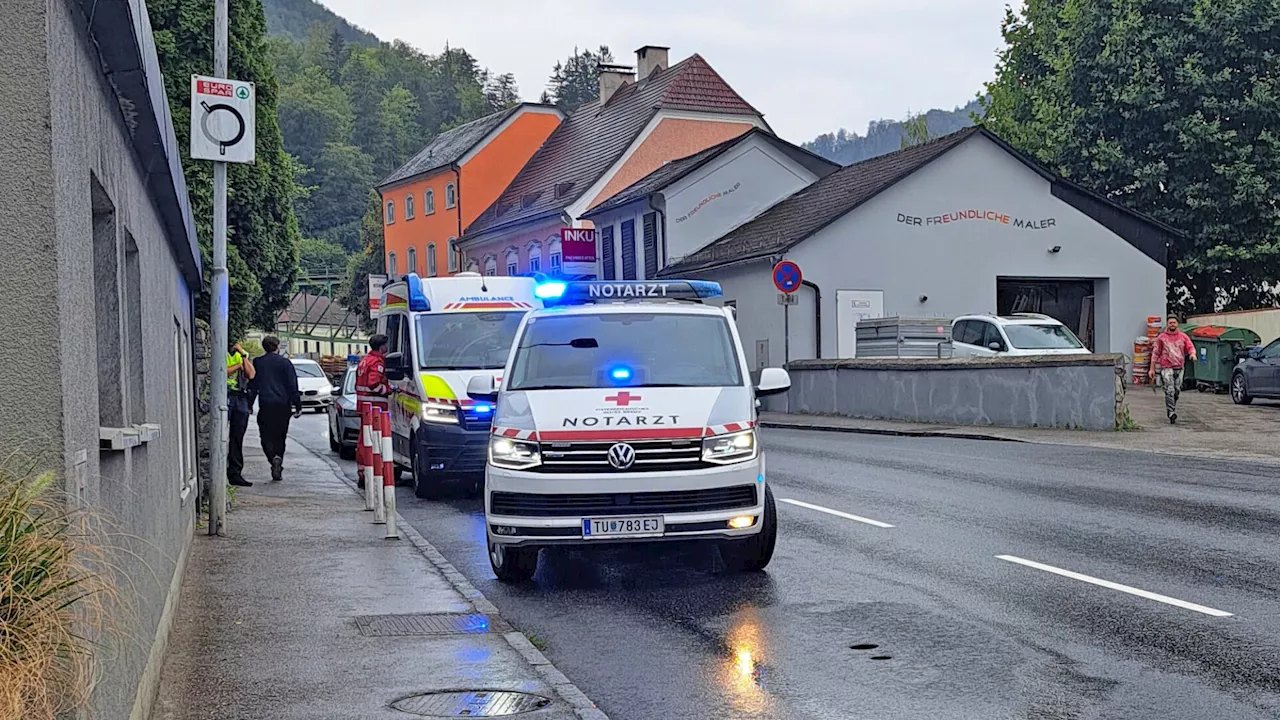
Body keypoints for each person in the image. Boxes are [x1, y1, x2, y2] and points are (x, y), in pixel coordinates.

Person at [251, 336, 302, 481]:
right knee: (280, 435)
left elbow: (254, 384)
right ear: (277, 347)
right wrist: (297, 405)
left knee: (265, 435)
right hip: (283, 405)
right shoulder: (285, 363)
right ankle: (278, 457)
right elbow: (292, 385)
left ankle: (272, 457)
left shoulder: (258, 362)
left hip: (266, 404)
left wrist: (249, 404)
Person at [354, 334, 392, 489]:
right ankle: (374, 473)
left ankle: (364, 472)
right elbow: (373, 384)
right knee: (376, 442)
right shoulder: (377, 362)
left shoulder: (365, 360)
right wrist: (388, 390)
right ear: (382, 346)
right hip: (375, 408)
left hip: (364, 407)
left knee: (365, 441)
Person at [1149, 314, 1196, 424]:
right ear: (1167, 324)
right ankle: (1171, 412)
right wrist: (1152, 369)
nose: (1172, 324)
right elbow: (1155, 353)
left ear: (1177, 324)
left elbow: (1190, 346)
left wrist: (1192, 354)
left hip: (1179, 367)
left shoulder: (1183, 337)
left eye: (1174, 322)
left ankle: (1172, 405)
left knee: (1176, 391)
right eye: (1170, 322)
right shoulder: (1162, 338)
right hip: (1166, 367)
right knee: (1169, 390)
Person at [226, 342, 256, 487]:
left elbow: (251, 374)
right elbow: (223, 371)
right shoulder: (221, 353)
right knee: (221, 436)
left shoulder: (241, 354)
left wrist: (243, 356)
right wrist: (238, 366)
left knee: (237, 438)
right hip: (225, 395)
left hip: (240, 398)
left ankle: (235, 473)